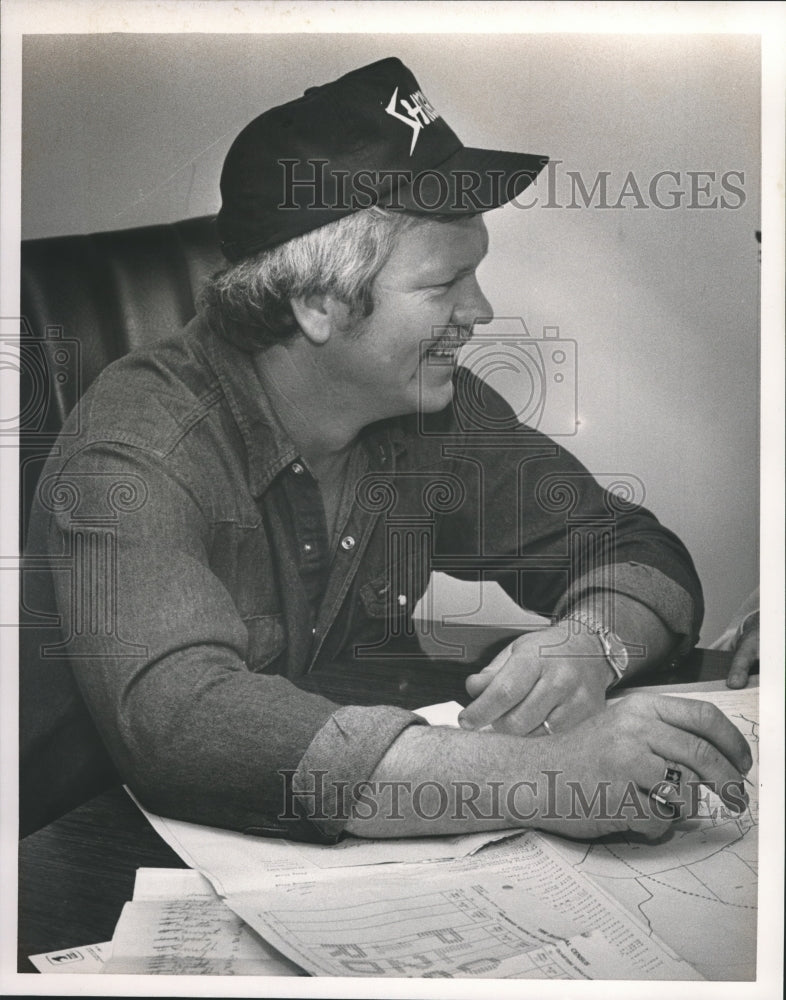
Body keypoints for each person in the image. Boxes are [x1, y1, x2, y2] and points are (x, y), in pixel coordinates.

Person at [25, 58, 751, 843]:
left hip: (297, 854)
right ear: (316, 303)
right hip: (80, 856)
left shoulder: (424, 404)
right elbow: (186, 725)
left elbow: (634, 549)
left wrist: (593, 641)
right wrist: (550, 778)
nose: (480, 310)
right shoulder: (136, 444)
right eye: (445, 285)